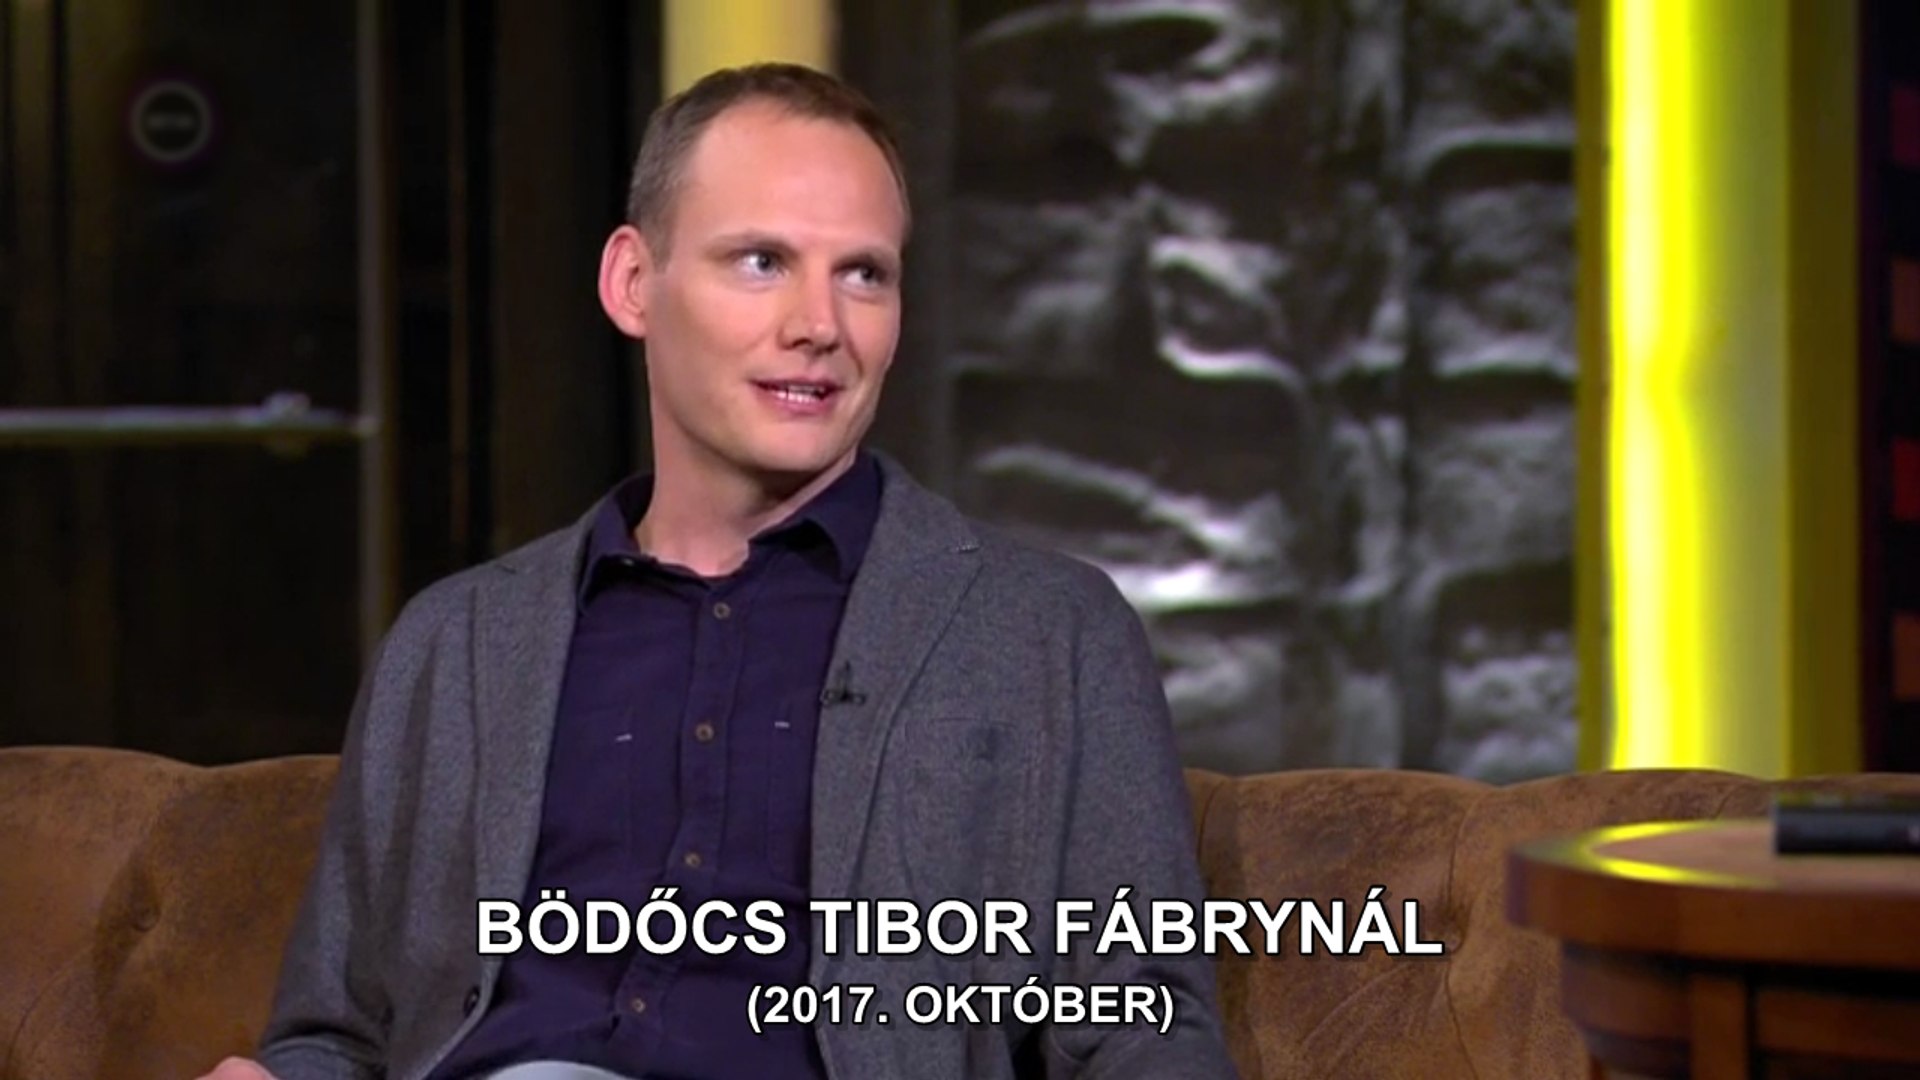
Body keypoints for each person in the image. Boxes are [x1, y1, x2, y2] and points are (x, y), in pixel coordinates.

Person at [199, 62, 1235, 1080]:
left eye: (864, 274)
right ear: (632, 284)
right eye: (762, 262)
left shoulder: (1044, 631)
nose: (819, 326)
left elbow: (1142, 1028)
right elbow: (338, 1035)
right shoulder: (456, 641)